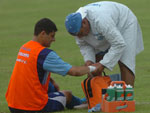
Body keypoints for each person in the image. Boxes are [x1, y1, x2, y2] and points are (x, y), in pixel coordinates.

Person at [5, 18, 97, 113]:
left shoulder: (24, 47)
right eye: (52, 36)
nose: (54, 40)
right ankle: (82, 102)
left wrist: (52, 82)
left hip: (13, 105)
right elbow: (74, 71)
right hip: (33, 107)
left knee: (51, 86)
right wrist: (93, 67)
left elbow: (32, 72)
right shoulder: (44, 53)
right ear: (43, 33)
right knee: (67, 94)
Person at [65, 1, 144, 87]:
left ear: (84, 22)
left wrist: (103, 64)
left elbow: (119, 44)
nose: (79, 37)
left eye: (80, 33)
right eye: (77, 35)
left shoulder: (100, 20)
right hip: (106, 27)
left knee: (125, 63)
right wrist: (89, 61)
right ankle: (96, 98)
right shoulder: (75, 26)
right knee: (93, 67)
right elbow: (84, 45)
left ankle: (126, 98)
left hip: (124, 23)